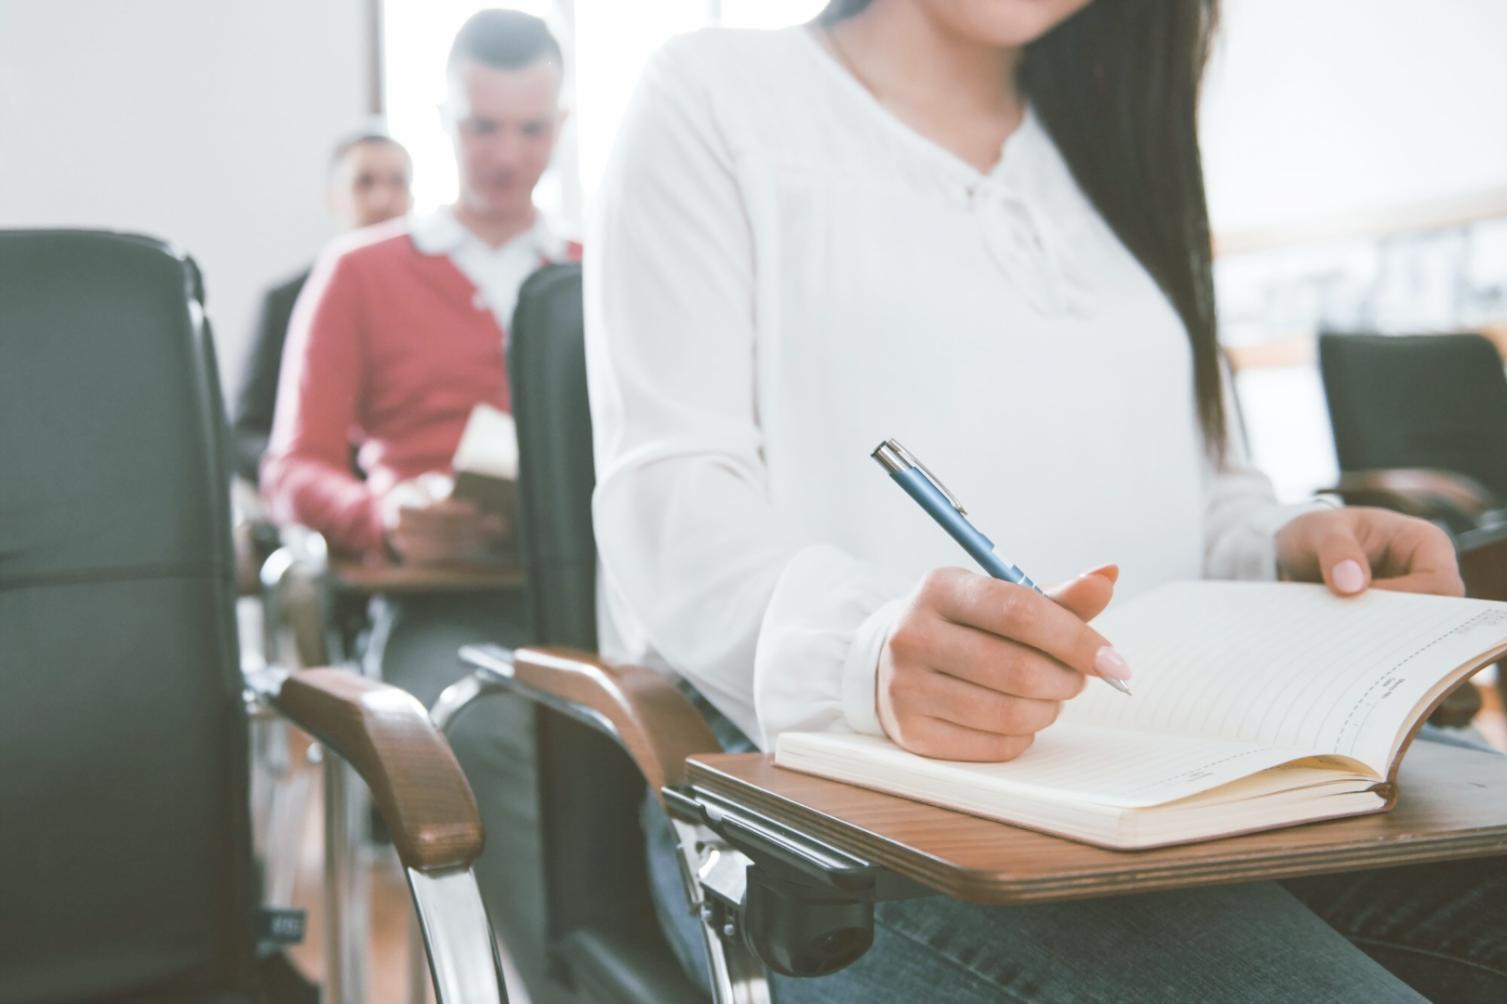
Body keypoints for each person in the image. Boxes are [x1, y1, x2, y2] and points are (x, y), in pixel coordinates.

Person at [585, 1, 1507, 1000]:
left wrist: (1285, 549)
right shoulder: (714, 97)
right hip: (843, 817)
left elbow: (1211, 495)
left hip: (1202, 784)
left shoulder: (1122, 145)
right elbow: (667, 499)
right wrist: (868, 653)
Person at [261, 5, 576, 947]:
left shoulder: (595, 275)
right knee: (476, 731)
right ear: (443, 121)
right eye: (482, 126)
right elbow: (291, 467)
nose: (505, 154)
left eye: (530, 128)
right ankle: (549, 984)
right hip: (441, 602)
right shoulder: (359, 273)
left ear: (560, 128)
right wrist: (382, 512)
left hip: (590, 596)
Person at [230, 132, 413, 484]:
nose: (383, 197)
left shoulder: (434, 299)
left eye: (397, 182)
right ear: (333, 198)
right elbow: (243, 435)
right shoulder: (284, 300)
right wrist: (306, 479)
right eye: (364, 182)